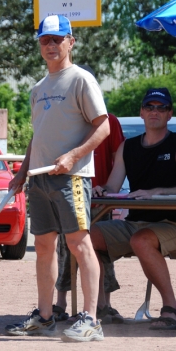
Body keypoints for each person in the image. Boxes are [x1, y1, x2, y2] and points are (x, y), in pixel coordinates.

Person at [5, 15, 110, 342]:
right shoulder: (38, 88)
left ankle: (91, 319)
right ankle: (45, 316)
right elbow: (38, 136)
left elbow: (103, 126)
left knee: (79, 244)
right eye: (45, 40)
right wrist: (22, 172)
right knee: (44, 246)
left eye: (57, 39)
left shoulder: (81, 79)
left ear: (70, 42)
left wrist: (73, 156)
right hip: (39, 179)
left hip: (72, 177)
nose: (51, 45)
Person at [91, 88, 176, 329]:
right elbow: (111, 186)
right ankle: (98, 307)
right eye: (150, 106)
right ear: (141, 112)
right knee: (85, 237)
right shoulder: (127, 147)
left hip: (174, 225)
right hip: (134, 224)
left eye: (161, 108)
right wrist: (101, 190)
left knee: (141, 240)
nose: (155, 112)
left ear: (170, 114)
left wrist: (157, 192)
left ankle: (171, 308)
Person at [53, 113, 125, 324]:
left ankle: (104, 304)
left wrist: (110, 191)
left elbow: (118, 157)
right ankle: (60, 302)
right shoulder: (65, 116)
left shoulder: (109, 120)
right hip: (69, 192)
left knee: (103, 250)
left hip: (100, 196)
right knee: (65, 251)